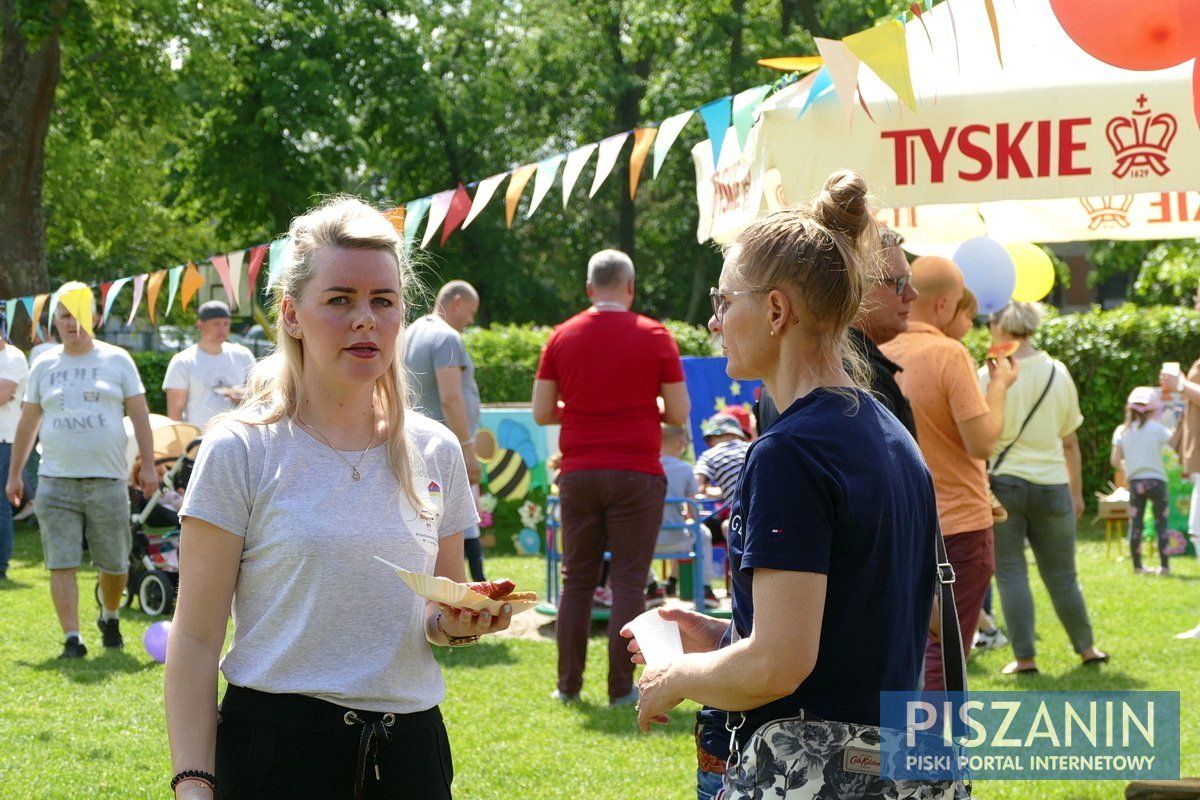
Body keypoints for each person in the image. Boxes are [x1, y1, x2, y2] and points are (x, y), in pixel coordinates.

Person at [163, 197, 510, 800]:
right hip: (276, 752)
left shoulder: (436, 450)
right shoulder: (241, 450)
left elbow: (439, 611)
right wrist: (194, 782)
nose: (365, 320)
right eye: (340, 299)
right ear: (292, 315)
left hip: (412, 757)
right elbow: (194, 640)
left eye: (383, 301)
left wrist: (464, 620)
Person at [624, 171, 938, 800]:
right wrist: (719, 635)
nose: (716, 321)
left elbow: (780, 666)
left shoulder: (790, 452)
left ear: (775, 310)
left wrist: (675, 673)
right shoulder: (887, 432)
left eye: (723, 300)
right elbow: (866, 626)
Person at [532, 248, 689, 706]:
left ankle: (567, 687)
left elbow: (543, 411)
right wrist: (640, 406)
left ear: (588, 290)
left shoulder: (560, 337)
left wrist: (586, 408)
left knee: (576, 581)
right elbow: (678, 411)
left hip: (578, 471)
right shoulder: (656, 335)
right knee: (628, 580)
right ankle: (621, 690)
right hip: (638, 472)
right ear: (631, 288)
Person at [5, 283, 158, 657]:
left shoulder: (117, 359)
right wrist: (15, 474)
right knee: (61, 561)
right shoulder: (44, 364)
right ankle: (73, 639)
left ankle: (109, 615)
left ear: (94, 317)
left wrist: (150, 466)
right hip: (56, 480)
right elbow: (27, 423)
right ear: (54, 321)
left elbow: (139, 414)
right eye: (64, 316)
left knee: (115, 562)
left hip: (107, 479)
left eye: (78, 315)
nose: (72, 323)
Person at [981, 301, 1107, 674]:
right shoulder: (1058, 372)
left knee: (1010, 573)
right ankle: (1087, 649)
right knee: (1064, 575)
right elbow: (1069, 441)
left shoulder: (986, 375)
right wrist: (1078, 491)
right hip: (1053, 484)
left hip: (1003, 484)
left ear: (999, 327)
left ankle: (1025, 658)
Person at [756, 225, 918, 437]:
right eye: (899, 282)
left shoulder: (786, 370)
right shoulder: (857, 377)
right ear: (854, 287)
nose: (911, 294)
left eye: (910, 280)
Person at [404, 280, 486, 581]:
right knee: (459, 521)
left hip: (411, 448)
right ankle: (475, 587)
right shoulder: (447, 338)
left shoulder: (410, 333)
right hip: (442, 451)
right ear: (456, 302)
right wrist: (467, 448)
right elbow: (451, 397)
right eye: (471, 311)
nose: (470, 320)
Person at [162, 300, 256, 427]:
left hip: (238, 437)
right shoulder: (183, 361)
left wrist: (243, 398)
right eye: (216, 324)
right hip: (199, 439)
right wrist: (186, 443)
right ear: (200, 325)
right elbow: (175, 413)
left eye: (226, 324)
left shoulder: (243, 355)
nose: (222, 329)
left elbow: (258, 397)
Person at [1111, 386, 1173, 575]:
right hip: (1157, 481)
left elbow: (1115, 461)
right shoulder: (1158, 429)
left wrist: (1128, 467)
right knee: (1161, 523)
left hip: (1136, 483)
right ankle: (1164, 567)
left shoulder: (1122, 431)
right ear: (1153, 409)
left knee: (1136, 524)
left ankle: (1138, 567)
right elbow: (1173, 442)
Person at [655, 424, 715, 609]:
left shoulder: (645, 465)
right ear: (681, 444)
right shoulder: (685, 469)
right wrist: (687, 516)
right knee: (703, 533)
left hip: (646, 542)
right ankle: (705, 588)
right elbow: (692, 512)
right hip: (678, 539)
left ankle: (651, 586)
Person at [0, 332, 28, 580]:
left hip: (4, 440)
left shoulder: (13, 357)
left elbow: (1, 395)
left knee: (0, 506)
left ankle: (0, 567)